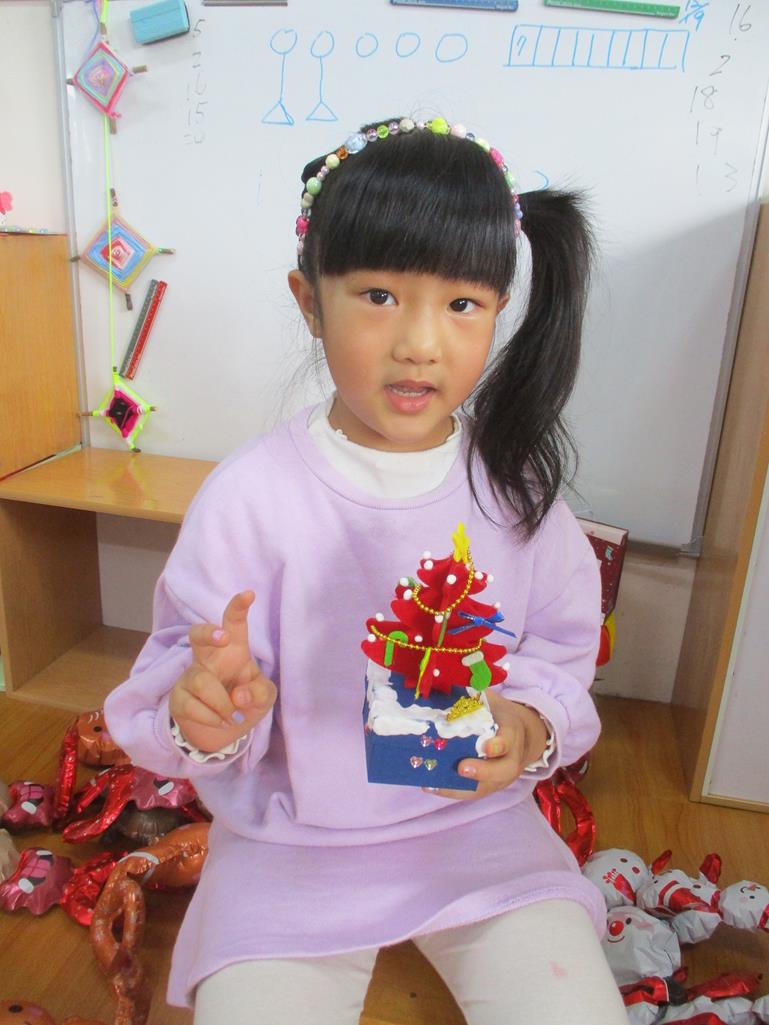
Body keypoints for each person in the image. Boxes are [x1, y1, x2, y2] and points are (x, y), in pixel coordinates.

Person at [104, 115, 630, 1025]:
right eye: (380, 295)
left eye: (461, 305)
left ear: (499, 309)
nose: (420, 342)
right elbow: (178, 680)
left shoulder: (514, 491)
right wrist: (208, 709)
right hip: (289, 839)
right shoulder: (249, 497)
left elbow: (557, 649)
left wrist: (525, 721)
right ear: (309, 302)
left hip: (477, 830)